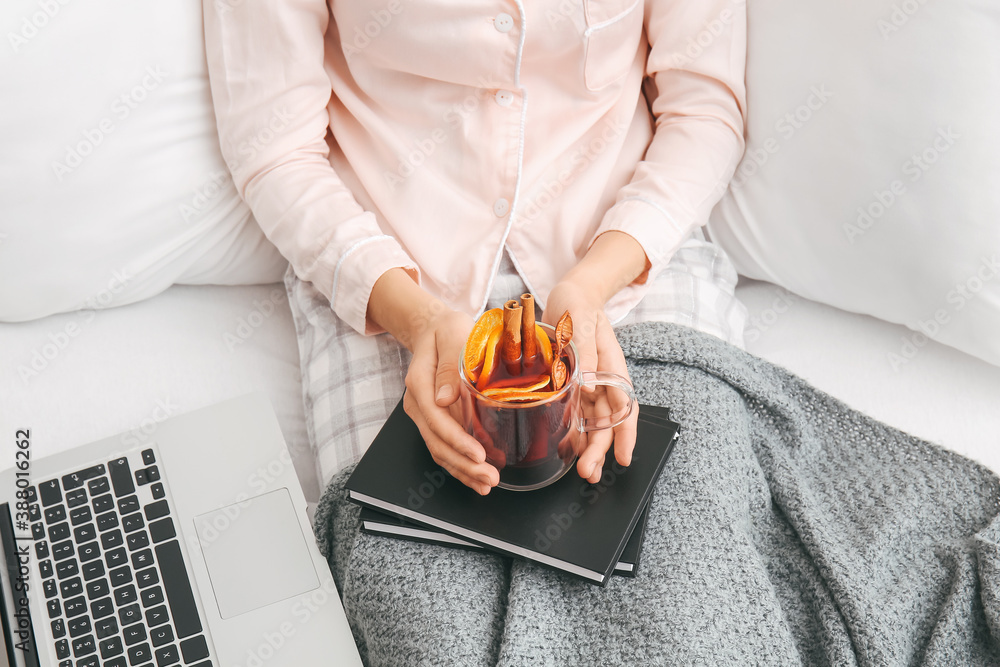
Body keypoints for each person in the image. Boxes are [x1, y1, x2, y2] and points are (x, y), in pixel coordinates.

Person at [203, 0, 748, 494]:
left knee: (689, 525)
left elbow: (704, 113)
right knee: (405, 577)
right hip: (386, 270)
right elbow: (274, 148)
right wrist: (416, 321)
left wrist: (592, 284)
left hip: (626, 241)